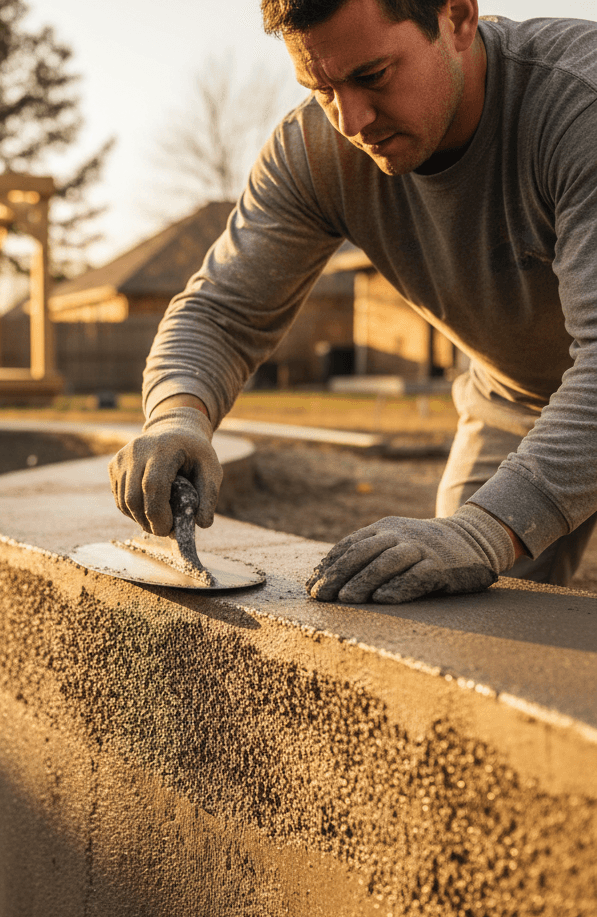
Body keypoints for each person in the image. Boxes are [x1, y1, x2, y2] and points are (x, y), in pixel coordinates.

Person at [108, 0, 597, 604]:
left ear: (458, 18)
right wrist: (177, 416)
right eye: (321, 88)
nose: (352, 119)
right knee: (472, 621)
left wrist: (484, 529)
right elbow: (221, 313)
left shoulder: (579, 104)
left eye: (373, 77)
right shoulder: (314, 153)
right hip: (515, 400)